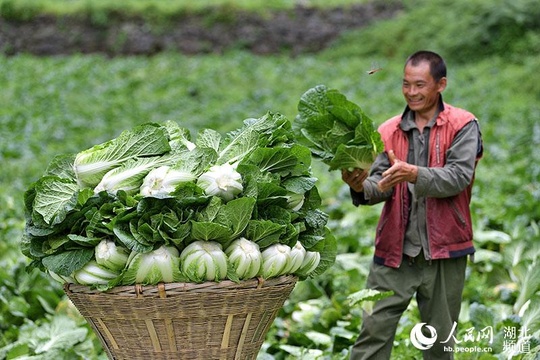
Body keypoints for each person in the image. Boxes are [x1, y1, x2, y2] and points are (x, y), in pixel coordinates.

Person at [342, 50, 483, 360]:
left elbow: (458, 177)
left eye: (420, 85)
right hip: (395, 253)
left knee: (439, 344)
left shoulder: (463, 124)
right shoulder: (388, 130)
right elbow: (380, 185)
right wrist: (358, 186)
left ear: (440, 84)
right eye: (406, 84)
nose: (411, 92)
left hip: (445, 252)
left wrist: (414, 173)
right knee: (372, 336)